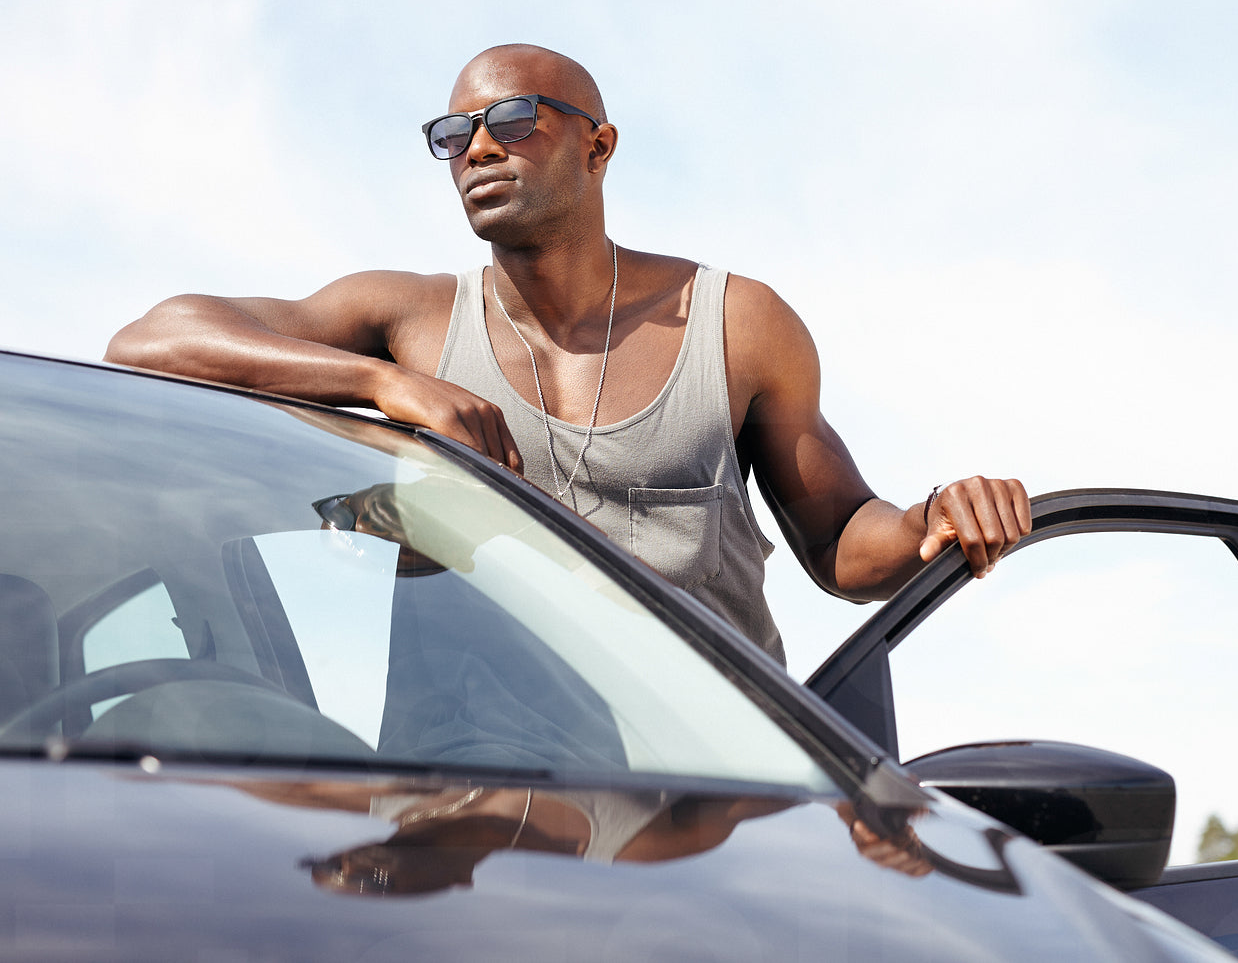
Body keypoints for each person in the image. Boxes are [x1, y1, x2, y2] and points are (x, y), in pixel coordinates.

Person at [107, 44, 1030, 663]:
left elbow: (840, 542)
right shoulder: (409, 320)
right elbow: (149, 342)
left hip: (705, 804)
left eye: (512, 119)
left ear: (598, 145)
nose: (477, 148)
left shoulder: (736, 323)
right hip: (461, 815)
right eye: (452, 135)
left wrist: (935, 520)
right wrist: (384, 384)